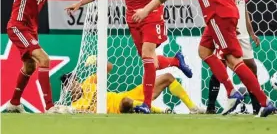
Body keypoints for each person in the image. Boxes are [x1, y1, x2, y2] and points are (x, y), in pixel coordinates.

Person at [132, 0, 276, 117]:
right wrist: (232, 8)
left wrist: (145, 9)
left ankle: (264, 101)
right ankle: (231, 90)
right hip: (227, 10)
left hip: (217, 14)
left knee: (234, 60)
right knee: (204, 50)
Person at [65, 0, 193, 114]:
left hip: (152, 15)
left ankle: (146, 104)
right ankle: (175, 61)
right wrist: (80, 2)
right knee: (148, 60)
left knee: (148, 55)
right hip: (133, 19)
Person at [6, 0, 117, 113]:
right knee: (44, 60)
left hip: (31, 30)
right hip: (18, 27)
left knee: (29, 66)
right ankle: (50, 107)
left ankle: (14, 103)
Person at [206, 0, 261, 115]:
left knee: (251, 67)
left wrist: (251, 33)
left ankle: (257, 106)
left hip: (242, 33)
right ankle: (210, 107)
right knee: (220, 68)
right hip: (226, 31)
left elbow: (244, 11)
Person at [61, 56, 204, 114]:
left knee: (167, 77)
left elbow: (109, 68)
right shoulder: (75, 106)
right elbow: (85, 114)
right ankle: (162, 112)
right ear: (67, 89)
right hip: (119, 107)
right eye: (72, 83)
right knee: (127, 101)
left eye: (76, 80)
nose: (76, 83)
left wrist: (98, 60)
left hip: (126, 95)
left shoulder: (88, 83)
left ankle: (193, 108)